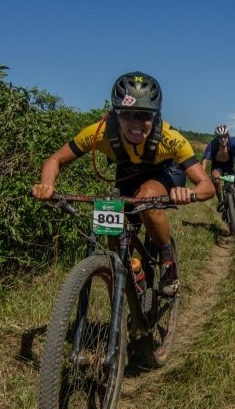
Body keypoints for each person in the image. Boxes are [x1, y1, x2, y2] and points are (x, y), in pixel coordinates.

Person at [31, 71, 214, 295]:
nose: (137, 122)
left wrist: (188, 193)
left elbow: (207, 186)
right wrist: (47, 185)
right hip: (127, 175)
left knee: (146, 195)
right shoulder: (99, 133)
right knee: (113, 231)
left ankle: (167, 259)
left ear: (157, 115)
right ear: (116, 113)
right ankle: (128, 281)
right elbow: (56, 159)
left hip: (165, 173)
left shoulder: (171, 138)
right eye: (128, 114)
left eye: (145, 115)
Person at [200, 124, 235, 226]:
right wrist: (202, 175)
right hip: (217, 166)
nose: (223, 139)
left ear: (228, 135)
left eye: (225, 136)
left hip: (229, 166)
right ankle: (220, 200)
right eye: (220, 137)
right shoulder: (212, 144)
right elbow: (205, 160)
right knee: (215, 179)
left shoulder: (233, 142)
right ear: (217, 137)